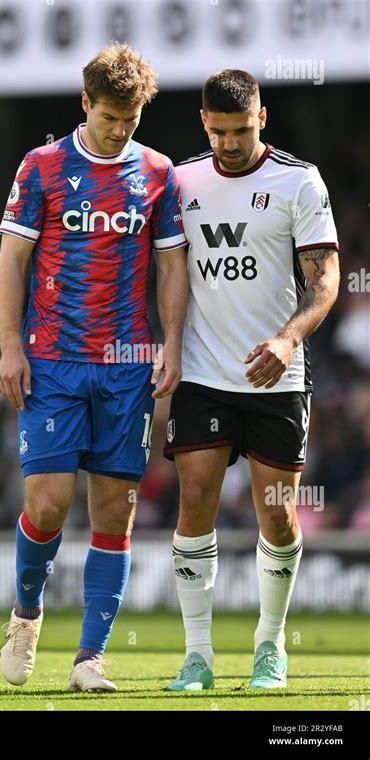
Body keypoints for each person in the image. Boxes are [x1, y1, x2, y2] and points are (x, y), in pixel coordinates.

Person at [0, 42, 187, 693]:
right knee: (47, 506)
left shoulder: (158, 174)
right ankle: (25, 614)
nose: (119, 130)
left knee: (116, 510)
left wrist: (173, 344)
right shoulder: (43, 167)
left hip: (128, 365)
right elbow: (12, 261)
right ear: (86, 103)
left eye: (129, 121)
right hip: (51, 360)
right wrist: (8, 346)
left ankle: (90, 660)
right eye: (109, 118)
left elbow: (169, 267)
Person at [164, 69, 340, 690]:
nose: (229, 143)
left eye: (241, 130)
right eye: (218, 131)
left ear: (262, 118)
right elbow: (166, 270)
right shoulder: (179, 180)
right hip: (205, 372)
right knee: (193, 504)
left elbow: (325, 279)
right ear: (204, 124)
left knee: (279, 519)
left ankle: (269, 645)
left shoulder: (300, 180)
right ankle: (198, 657)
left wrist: (288, 337)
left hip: (277, 375)